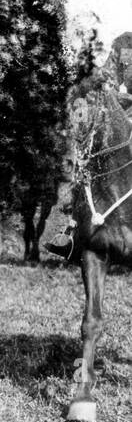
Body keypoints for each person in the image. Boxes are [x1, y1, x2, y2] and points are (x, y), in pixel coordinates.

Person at [44, 32, 132, 257]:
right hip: (117, 117)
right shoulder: (122, 42)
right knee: (84, 167)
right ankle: (71, 231)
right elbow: (106, 77)